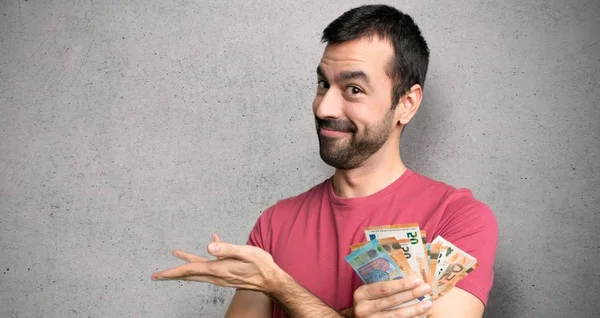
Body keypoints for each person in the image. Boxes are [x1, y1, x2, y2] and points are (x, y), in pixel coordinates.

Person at [152, 4, 498, 318]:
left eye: (354, 89)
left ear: (406, 103)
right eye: (323, 84)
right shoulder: (275, 224)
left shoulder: (459, 220)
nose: (324, 108)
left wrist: (280, 286)